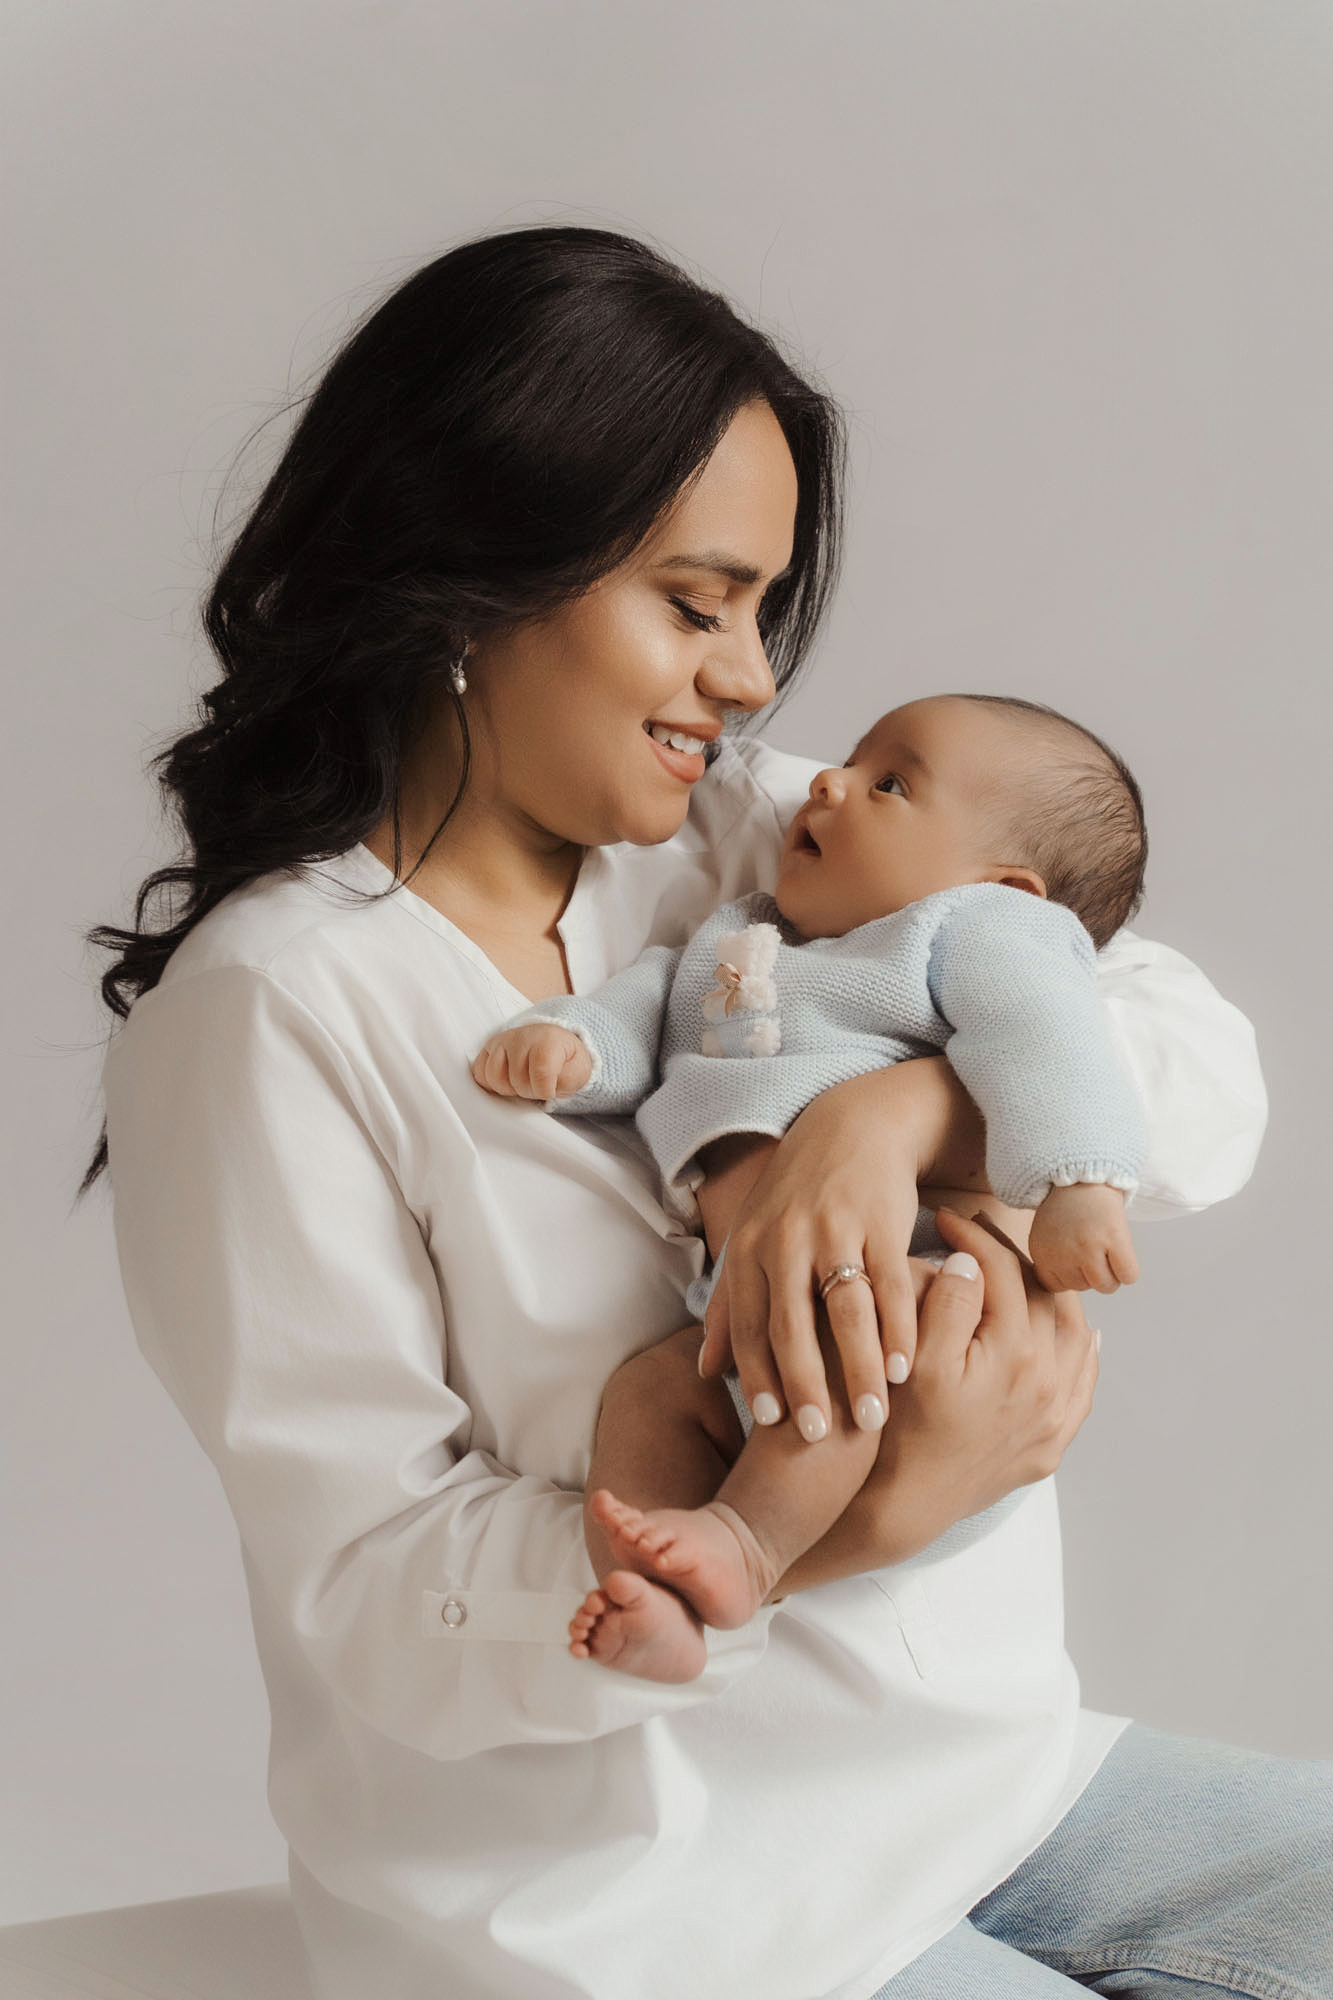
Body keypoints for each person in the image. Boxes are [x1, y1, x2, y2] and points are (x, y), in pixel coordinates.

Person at [88, 228, 1327, 2000]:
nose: (751, 681)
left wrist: (893, 1117)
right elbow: (373, 1590)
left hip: (972, 1782)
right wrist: (848, 1522)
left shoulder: (732, 837)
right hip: (638, 1900)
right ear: (466, 580)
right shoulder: (277, 1010)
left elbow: (1187, 1065)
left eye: (757, 611)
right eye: (691, 603)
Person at [475, 691, 1149, 1681]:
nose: (828, 782)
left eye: (889, 783)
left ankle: (745, 1546)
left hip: (906, 1291)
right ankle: (662, 1593)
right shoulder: (743, 931)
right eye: (849, 759)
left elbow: (1046, 1035)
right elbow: (652, 1009)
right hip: (741, 1308)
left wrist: (1079, 1181)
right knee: (654, 1392)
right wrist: (579, 1044)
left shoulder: (969, 931)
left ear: (1006, 884)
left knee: (831, 1368)